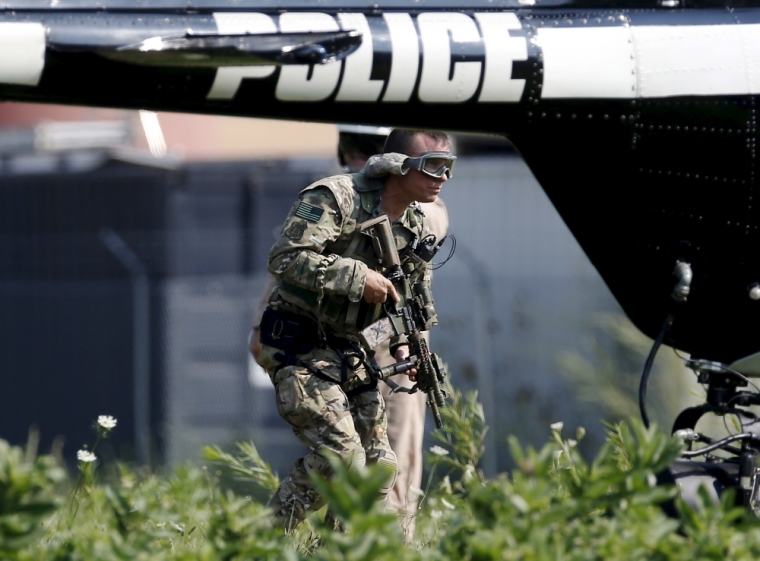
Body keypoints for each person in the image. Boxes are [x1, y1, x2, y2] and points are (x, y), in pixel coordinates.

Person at [255, 129, 454, 530]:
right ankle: (260, 540)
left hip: (351, 354)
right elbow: (285, 258)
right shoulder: (333, 197)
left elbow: (406, 301)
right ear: (400, 165)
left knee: (380, 466)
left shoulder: (414, 224)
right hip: (300, 347)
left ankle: (339, 551)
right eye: (433, 166)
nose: (443, 178)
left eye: (448, 168)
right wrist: (356, 277)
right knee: (340, 456)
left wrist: (401, 346)